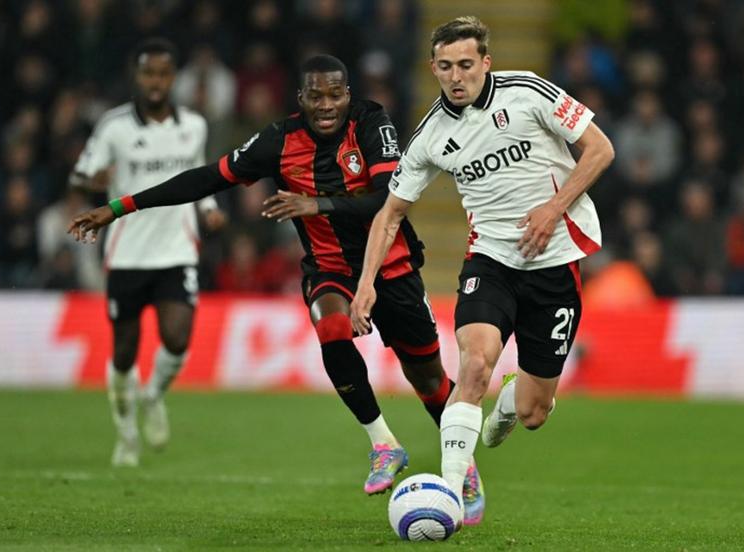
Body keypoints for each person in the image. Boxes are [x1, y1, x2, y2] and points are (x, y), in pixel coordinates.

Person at [68, 54, 486, 524]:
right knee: (330, 325)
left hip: (392, 267)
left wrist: (316, 203)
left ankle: (463, 464)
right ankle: (383, 444)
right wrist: (121, 206)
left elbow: (388, 199)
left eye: (335, 94)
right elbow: (208, 178)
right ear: (301, 99)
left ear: (348, 94)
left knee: (428, 379)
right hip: (328, 267)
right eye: (316, 96)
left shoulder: (371, 122)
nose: (326, 105)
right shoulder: (279, 140)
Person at [349, 16, 615, 513]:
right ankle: (452, 490)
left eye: (466, 65)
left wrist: (553, 210)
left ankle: (514, 399)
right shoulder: (430, 136)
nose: (456, 76)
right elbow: (390, 214)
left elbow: (600, 150)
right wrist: (365, 284)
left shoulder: (529, 92)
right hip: (490, 263)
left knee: (536, 413)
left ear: (485, 62)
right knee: (473, 366)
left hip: (555, 267)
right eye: (446, 67)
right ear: (432, 68)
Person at [69, 38, 226, 468]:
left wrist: (210, 208)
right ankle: (125, 435)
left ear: (172, 78)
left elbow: (198, 175)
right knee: (124, 352)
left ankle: (153, 395)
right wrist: (93, 183)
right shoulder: (114, 126)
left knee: (177, 338)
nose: (155, 82)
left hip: (176, 249)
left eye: (162, 74)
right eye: (148, 74)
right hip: (127, 254)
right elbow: (81, 175)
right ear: (137, 77)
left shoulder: (193, 125)